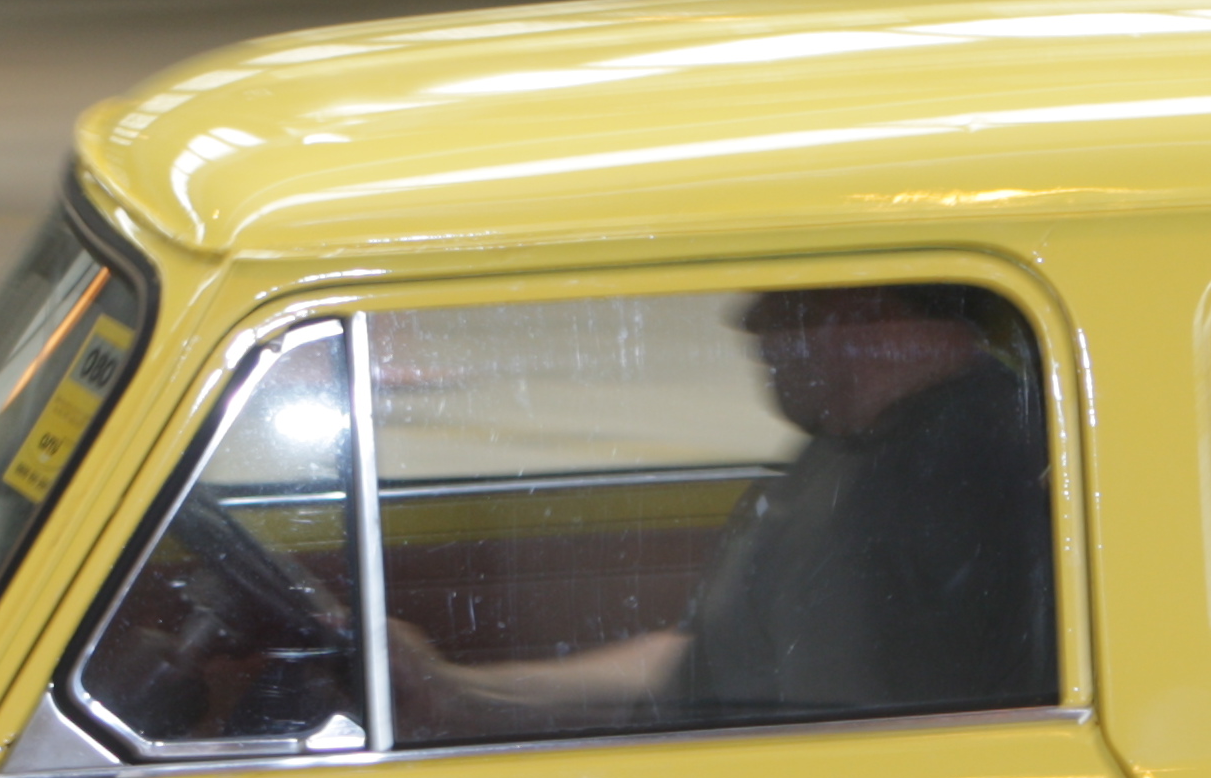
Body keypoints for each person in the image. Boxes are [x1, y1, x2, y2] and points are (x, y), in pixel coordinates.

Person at [391, 284, 1051, 739]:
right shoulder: (840, 456)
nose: (749, 325)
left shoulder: (972, 475)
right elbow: (703, 663)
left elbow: (898, 741)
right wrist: (457, 693)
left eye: (781, 301)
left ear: (862, 313)